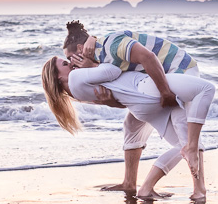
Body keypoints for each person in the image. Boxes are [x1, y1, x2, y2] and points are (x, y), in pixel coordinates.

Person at [41, 55, 215, 200]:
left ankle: (138, 185)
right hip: (146, 89)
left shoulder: (75, 94)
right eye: (65, 64)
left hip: (139, 105)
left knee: (178, 141)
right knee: (205, 90)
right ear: (57, 76)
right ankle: (163, 187)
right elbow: (114, 70)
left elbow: (117, 96)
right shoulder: (75, 77)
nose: (71, 63)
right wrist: (93, 64)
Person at [61, 21, 203, 186]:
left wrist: (165, 93)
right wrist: (112, 102)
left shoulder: (112, 43)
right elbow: (129, 92)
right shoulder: (100, 58)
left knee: (183, 131)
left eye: (69, 58)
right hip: (160, 78)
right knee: (131, 124)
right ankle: (129, 183)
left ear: (80, 49)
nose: (71, 64)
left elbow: (148, 57)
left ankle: (199, 190)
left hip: (180, 69)